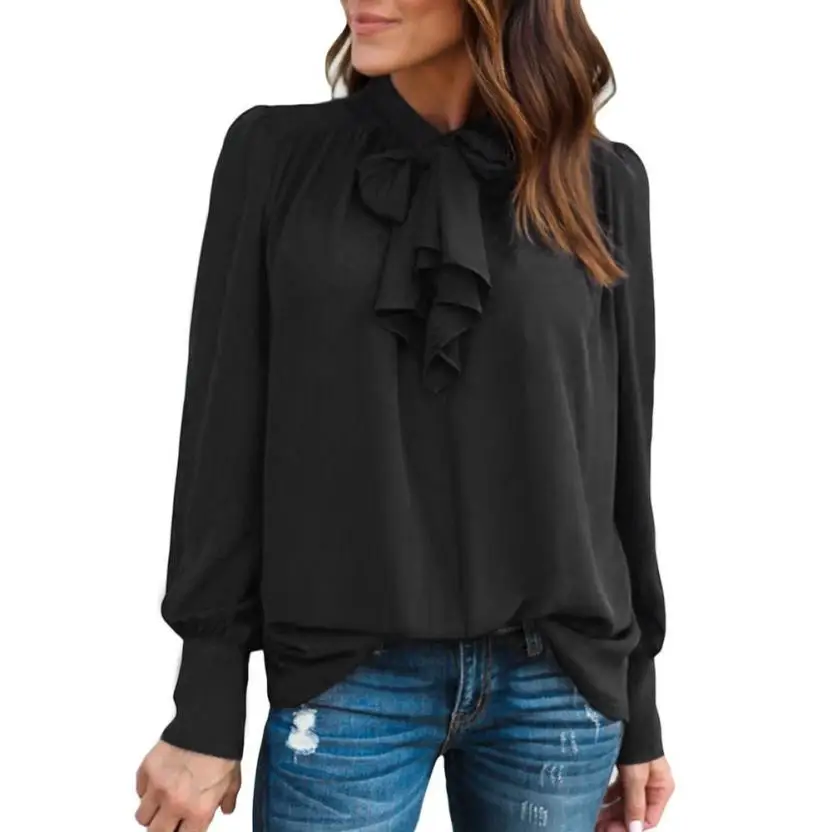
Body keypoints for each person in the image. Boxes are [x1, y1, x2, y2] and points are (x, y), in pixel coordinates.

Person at [134, 1, 676, 830]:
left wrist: (639, 707)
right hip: (346, 684)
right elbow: (222, 436)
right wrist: (205, 704)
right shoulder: (275, 157)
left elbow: (620, 458)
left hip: (556, 690)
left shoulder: (602, 181)